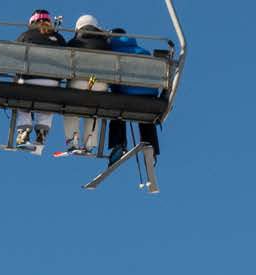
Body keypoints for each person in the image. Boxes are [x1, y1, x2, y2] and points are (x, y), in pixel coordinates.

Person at [106, 27, 160, 167]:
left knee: (116, 112)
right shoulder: (144, 51)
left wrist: (115, 89)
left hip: (126, 96)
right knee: (146, 117)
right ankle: (151, 148)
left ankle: (118, 144)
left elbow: (110, 78)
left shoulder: (111, 52)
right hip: (150, 97)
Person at [14, 9, 66, 150]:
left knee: (22, 102)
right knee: (47, 101)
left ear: (32, 23)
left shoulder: (25, 36)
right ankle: (42, 131)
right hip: (51, 82)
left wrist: (17, 78)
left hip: (29, 81)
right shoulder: (58, 38)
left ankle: (23, 132)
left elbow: (15, 59)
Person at [64, 14, 110, 154]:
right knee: (94, 109)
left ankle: (73, 139)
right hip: (98, 82)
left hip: (79, 82)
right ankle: (90, 142)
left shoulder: (73, 42)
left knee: (70, 107)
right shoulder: (106, 44)